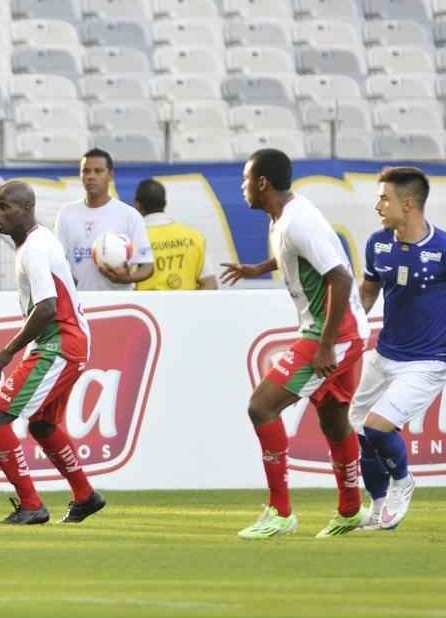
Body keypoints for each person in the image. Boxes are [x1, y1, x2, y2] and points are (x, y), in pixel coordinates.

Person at [221, 149, 369, 540]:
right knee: (334, 421)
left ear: (262, 183)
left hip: (333, 335)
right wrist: (259, 268)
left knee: (261, 406)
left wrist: (324, 347)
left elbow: (340, 278)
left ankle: (280, 511)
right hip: (341, 333)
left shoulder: (297, 222)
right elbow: (295, 255)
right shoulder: (285, 216)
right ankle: (351, 510)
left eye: (246, 179)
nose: (243, 186)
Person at [0, 181, 105, 525]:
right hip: (71, 340)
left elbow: (47, 306)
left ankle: (32, 504)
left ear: (27, 208)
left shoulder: (34, 249)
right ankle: (85, 495)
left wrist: (7, 352)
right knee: (43, 424)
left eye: (5, 207)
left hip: (59, 343)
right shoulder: (43, 241)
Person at [351, 167, 446, 531]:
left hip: (427, 362)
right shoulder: (378, 244)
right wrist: (352, 325)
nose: (378, 205)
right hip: (384, 355)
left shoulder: (442, 248)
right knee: (360, 429)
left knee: (377, 427)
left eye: (384, 198)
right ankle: (376, 508)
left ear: (408, 204)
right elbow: (369, 290)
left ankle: (402, 483)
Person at [54, 149, 154, 290]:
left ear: (110, 175)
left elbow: (147, 266)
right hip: (79, 304)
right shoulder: (66, 214)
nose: (91, 176)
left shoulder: (129, 215)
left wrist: (126, 278)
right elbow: (58, 261)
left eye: (98, 171)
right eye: (86, 171)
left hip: (117, 304)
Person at [133, 178, 217, 291]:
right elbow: (211, 284)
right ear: (165, 203)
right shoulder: (194, 237)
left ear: (138, 205)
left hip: (146, 308)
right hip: (186, 307)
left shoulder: (133, 241)